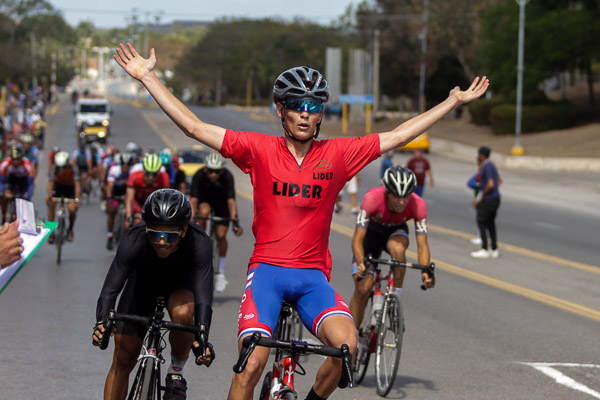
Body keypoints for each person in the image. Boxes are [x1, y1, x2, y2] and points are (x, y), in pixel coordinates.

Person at [113, 42, 488, 400]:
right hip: (267, 273)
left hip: (313, 277)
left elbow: (399, 135)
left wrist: (451, 102)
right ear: (281, 109)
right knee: (252, 364)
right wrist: (148, 78)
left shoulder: (339, 154)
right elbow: (194, 127)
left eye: (313, 104)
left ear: (322, 111)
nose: (305, 112)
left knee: (347, 348)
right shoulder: (258, 149)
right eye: (296, 105)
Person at [92, 189, 215, 400]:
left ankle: (176, 373)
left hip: (179, 287)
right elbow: (110, 289)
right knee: (122, 359)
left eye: (169, 235)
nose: (161, 241)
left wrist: (202, 337)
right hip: (141, 286)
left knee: (185, 313)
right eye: (154, 234)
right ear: (146, 229)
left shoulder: (200, 243)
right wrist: (102, 322)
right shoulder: (134, 239)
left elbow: (204, 297)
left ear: (184, 230)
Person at [349, 166, 434, 328]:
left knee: (398, 250)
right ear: (387, 192)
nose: (402, 202)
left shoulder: (418, 204)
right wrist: (361, 263)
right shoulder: (372, 199)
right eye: (396, 196)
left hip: (396, 231)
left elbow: (422, 245)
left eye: (406, 196)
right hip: (371, 236)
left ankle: (395, 298)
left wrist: (425, 271)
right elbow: (357, 239)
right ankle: (351, 335)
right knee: (363, 288)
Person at [190, 152, 243, 292]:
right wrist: (189, 222)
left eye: (217, 171)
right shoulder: (199, 175)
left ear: (222, 170)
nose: (213, 174)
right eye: (210, 171)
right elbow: (194, 200)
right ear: (205, 169)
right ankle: (200, 237)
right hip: (205, 201)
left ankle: (220, 272)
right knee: (204, 211)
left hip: (222, 205)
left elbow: (231, 201)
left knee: (220, 235)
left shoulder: (227, 177)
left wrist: (235, 222)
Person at [471, 146, 501, 259]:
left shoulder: (487, 166)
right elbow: (499, 180)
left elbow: (491, 184)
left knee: (482, 222)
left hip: (488, 199)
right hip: (495, 198)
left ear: (482, 155)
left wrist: (481, 197)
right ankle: (494, 248)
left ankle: (484, 248)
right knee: (491, 223)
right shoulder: (491, 165)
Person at [125, 153, 170, 227]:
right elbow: (129, 199)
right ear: (144, 171)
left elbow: (166, 200)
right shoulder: (134, 176)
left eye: (154, 174)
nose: (150, 178)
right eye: (148, 174)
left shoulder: (164, 177)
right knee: (137, 221)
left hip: (154, 202)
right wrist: (128, 217)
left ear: (158, 172)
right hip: (138, 201)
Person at [47, 151, 81, 243]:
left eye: (63, 167)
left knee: (72, 209)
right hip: (58, 187)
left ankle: (70, 229)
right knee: (51, 205)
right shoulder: (54, 168)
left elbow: (77, 184)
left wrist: (77, 198)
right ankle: (51, 231)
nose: (61, 169)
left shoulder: (73, 167)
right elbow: (51, 183)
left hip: (70, 188)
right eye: (59, 167)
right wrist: (49, 195)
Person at [105, 152, 134, 250]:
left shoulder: (133, 172)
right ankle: (109, 234)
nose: (125, 167)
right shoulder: (114, 170)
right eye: (123, 165)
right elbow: (110, 185)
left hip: (127, 191)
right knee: (112, 210)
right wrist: (109, 198)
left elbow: (133, 189)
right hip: (116, 191)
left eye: (128, 165)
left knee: (131, 209)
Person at [0, 145, 35, 222]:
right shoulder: (5, 164)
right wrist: (1, 191)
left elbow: (30, 183)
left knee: (26, 199)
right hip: (12, 180)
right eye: (14, 159)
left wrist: (27, 195)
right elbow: (1, 181)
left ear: (21, 158)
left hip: (24, 181)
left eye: (18, 159)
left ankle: (27, 221)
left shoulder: (27, 165)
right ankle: (3, 217)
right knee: (3, 197)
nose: (15, 162)